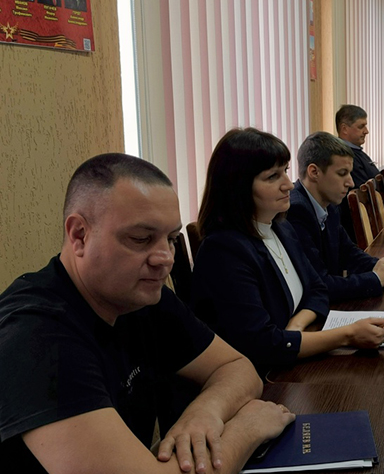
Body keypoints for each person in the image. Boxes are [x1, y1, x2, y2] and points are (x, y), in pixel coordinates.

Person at [0, 153, 294, 474]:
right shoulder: (37, 337)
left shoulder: (139, 296)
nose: (164, 258)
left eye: (171, 239)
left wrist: (204, 413)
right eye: (141, 239)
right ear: (79, 235)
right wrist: (247, 429)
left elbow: (237, 367)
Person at [191, 128, 384, 374]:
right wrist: (348, 335)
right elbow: (262, 344)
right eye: (272, 177)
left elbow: (317, 289)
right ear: (238, 186)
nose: (288, 184)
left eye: (285, 172)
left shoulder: (280, 227)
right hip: (263, 378)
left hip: (294, 359)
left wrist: (296, 326)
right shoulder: (223, 251)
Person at [288, 131, 384, 302]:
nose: (351, 182)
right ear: (314, 172)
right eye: (342, 173)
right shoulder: (296, 211)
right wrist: (377, 278)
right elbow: (319, 284)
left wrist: (381, 266)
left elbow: (348, 252)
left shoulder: (329, 203)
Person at [335, 104, 384, 241]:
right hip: (372, 231)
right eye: (361, 126)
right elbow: (366, 201)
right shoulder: (346, 158)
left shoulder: (356, 152)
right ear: (344, 129)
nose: (366, 131)